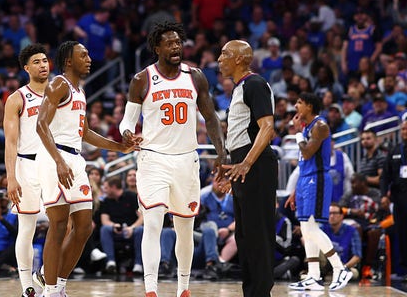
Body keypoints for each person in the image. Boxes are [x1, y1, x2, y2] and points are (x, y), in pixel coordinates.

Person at [120, 22, 226, 297]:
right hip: (154, 160)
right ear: (157, 48)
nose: (176, 47)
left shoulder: (196, 76)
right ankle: (151, 290)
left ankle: (183, 289)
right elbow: (126, 123)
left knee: (185, 227)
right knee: (153, 222)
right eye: (170, 43)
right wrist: (128, 134)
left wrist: (221, 152)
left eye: (179, 42)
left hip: (186, 161)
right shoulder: (142, 79)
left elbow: (211, 117)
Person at [35, 41, 138, 297]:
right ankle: (49, 290)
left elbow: (85, 133)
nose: (89, 58)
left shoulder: (79, 91)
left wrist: (119, 147)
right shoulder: (59, 84)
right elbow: (40, 125)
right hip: (55, 157)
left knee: (84, 227)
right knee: (58, 224)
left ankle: (57, 284)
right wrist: (58, 161)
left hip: (75, 159)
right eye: (83, 55)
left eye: (89, 54)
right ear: (68, 61)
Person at [218, 39, 278, 297]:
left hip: (256, 164)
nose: (220, 59)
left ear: (241, 59)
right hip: (243, 163)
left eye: (225, 54)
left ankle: (262, 293)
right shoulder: (239, 88)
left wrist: (246, 163)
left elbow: (267, 127)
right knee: (244, 236)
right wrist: (231, 163)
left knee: (258, 235)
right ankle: (251, 292)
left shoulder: (255, 84)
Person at [285, 92, 353, 291]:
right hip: (306, 179)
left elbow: (307, 152)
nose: (296, 105)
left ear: (309, 106)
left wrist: (297, 132)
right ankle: (314, 277)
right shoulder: (307, 127)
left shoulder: (320, 126)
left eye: (299, 102)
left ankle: (340, 269)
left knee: (313, 228)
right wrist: (296, 190)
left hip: (319, 178)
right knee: (306, 229)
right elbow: (303, 163)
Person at [4, 43, 49, 297]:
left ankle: (44, 272)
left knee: (67, 222)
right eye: (37, 62)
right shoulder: (17, 98)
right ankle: (27, 286)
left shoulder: (59, 92)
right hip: (27, 164)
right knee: (27, 226)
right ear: (26, 68)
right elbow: (10, 142)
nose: (43, 65)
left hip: (55, 164)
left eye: (45, 60)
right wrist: (11, 178)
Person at [380, 120, 407, 279]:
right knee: (402, 233)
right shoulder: (396, 150)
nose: (404, 131)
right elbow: (385, 176)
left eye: (406, 128)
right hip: (400, 200)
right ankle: (404, 269)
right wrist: (384, 194)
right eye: (403, 128)